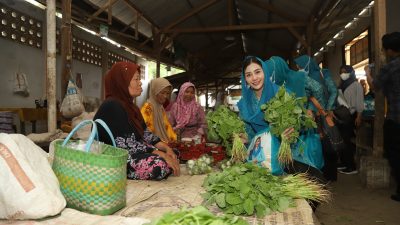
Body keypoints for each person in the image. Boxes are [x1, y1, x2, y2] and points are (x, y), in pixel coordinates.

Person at [238, 56, 326, 211]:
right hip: (261, 155)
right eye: (249, 74)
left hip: (287, 152)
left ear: (265, 72)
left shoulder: (282, 94)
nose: (254, 78)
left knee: (317, 182)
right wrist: (244, 138)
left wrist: (289, 134)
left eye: (258, 72)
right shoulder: (244, 103)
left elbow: (300, 124)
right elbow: (250, 133)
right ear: (245, 79)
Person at [94, 62, 180, 180]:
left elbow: (146, 134)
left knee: (174, 153)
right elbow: (126, 144)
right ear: (122, 82)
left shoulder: (131, 108)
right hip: (114, 157)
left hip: (132, 151)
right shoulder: (112, 106)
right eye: (136, 79)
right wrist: (159, 153)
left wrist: (166, 149)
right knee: (159, 164)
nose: (140, 82)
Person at [366, 32, 400, 202]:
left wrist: (367, 73)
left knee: (394, 152)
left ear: (389, 50)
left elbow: (375, 86)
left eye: (384, 49)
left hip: (396, 118)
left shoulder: (391, 66)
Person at [294, 55, 339, 181]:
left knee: (328, 142)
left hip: (323, 114)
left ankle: (330, 175)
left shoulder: (324, 73)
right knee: (317, 144)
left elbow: (334, 91)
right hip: (312, 115)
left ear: (307, 65)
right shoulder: (304, 78)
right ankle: (322, 175)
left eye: (301, 66)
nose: (299, 69)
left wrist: (328, 108)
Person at [336, 65, 364, 175]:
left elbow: (360, 102)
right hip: (341, 115)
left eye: (345, 71)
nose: (343, 74)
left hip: (351, 116)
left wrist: (359, 116)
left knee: (347, 141)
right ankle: (344, 163)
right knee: (342, 141)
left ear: (351, 72)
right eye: (341, 72)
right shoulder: (341, 85)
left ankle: (351, 166)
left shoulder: (356, 85)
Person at [141, 78, 177, 143]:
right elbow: (147, 133)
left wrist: (174, 140)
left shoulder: (160, 108)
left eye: (168, 93)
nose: (165, 96)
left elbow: (167, 127)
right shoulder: (147, 108)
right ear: (154, 91)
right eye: (162, 93)